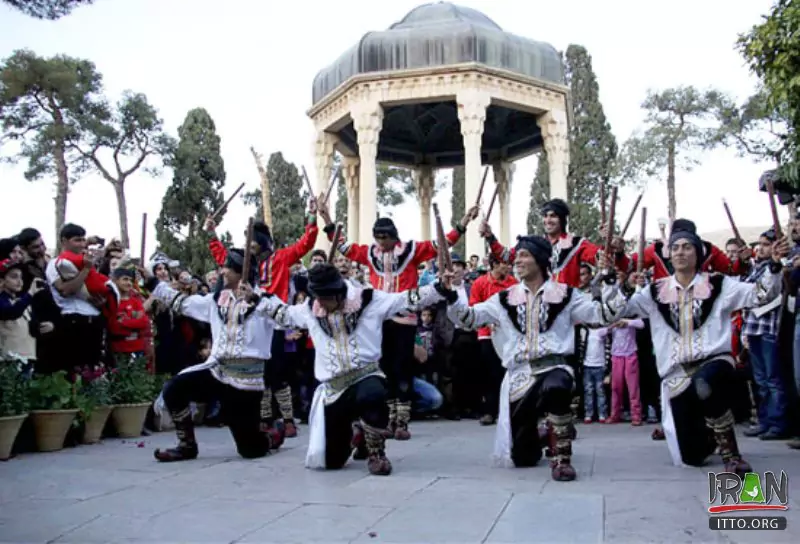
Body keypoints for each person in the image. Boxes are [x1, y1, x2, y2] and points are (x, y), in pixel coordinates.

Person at [441, 235, 626, 481]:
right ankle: (543, 434)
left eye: (524, 255)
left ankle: (561, 458)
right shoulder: (503, 299)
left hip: (554, 366)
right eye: (517, 256)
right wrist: (451, 293)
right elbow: (469, 318)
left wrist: (611, 282)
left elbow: (604, 315)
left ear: (540, 260)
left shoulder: (565, 295)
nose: (517, 261)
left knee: (556, 387)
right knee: (523, 458)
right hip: (520, 375)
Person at [620, 221, 788, 475]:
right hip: (677, 377)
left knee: (705, 383)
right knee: (692, 457)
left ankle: (732, 456)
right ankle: (709, 436)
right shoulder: (654, 291)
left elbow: (760, 294)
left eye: (687, 247)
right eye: (675, 247)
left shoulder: (719, 285)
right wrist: (613, 280)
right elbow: (618, 312)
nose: (680, 252)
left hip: (714, 364)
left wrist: (774, 266)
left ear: (698, 253)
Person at [319, 197, 479, 440]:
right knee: (381, 368)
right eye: (378, 238)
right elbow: (342, 245)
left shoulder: (411, 250)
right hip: (377, 319)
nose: (381, 242)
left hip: (404, 316)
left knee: (402, 368)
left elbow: (442, 244)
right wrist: (327, 218)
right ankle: (385, 417)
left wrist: (464, 222)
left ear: (394, 236)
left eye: (385, 238)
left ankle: (401, 421)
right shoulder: (369, 253)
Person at [263, 263, 446, 475]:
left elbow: (404, 299)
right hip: (334, 390)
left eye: (326, 298)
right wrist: (257, 299)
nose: (321, 303)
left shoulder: (368, 300)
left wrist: (439, 287)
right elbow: (283, 315)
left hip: (365, 376)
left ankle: (377, 453)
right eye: (318, 297)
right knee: (332, 462)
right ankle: (356, 434)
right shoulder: (311, 309)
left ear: (339, 293)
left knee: (373, 394)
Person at [143, 247, 282, 462]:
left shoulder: (265, 301)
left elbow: (287, 319)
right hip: (218, 373)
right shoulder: (216, 300)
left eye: (227, 267)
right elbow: (183, 302)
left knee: (250, 450)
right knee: (174, 389)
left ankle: (272, 436)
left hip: (246, 385)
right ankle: (186, 445)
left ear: (242, 273)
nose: (222, 271)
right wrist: (153, 283)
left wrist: (257, 300)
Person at [206, 197, 319, 439]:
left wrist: (311, 217)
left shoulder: (280, 259)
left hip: (275, 323)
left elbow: (305, 245)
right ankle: (266, 419)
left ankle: (288, 420)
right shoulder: (244, 264)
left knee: (278, 374)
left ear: (262, 242)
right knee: (262, 376)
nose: (249, 247)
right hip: (251, 324)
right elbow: (222, 258)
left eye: (253, 243)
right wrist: (212, 234)